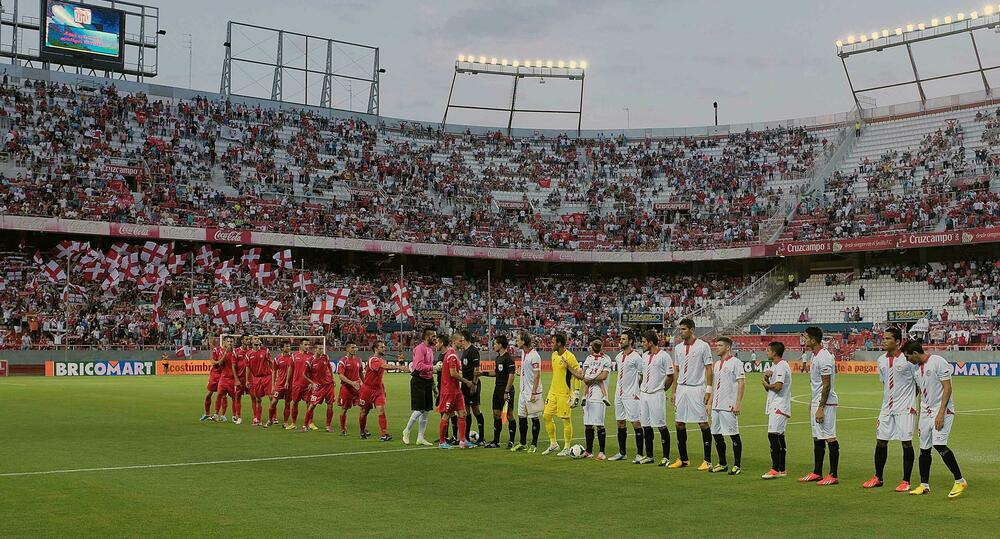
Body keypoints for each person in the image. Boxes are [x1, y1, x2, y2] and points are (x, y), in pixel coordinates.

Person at [902, 341, 968, 498]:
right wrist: (919, 416)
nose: (907, 360)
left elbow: (948, 387)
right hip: (925, 413)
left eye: (907, 356)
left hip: (942, 411)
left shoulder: (938, 362)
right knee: (924, 449)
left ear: (915, 353)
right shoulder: (916, 370)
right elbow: (922, 394)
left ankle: (960, 480)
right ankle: (924, 485)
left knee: (939, 444)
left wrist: (940, 413)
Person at [863, 328, 917, 491]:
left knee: (906, 443)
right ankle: (878, 477)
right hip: (886, 407)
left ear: (898, 342)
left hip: (905, 408)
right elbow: (884, 382)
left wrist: (909, 400)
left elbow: (918, 382)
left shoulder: (908, 359)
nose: (884, 341)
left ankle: (905, 481)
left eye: (888, 338)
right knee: (881, 441)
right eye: (883, 338)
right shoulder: (881, 360)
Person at [668, 318, 715, 471]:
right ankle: (683, 459)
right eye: (680, 329)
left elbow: (709, 368)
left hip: (697, 388)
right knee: (679, 422)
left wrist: (708, 389)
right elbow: (677, 370)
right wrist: (674, 391)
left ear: (691, 330)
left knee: (702, 423)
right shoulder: (678, 348)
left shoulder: (703, 346)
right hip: (682, 388)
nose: (680, 332)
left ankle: (707, 460)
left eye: (683, 329)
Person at [799, 326, 840, 486]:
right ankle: (817, 472)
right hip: (818, 401)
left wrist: (821, 406)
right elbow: (816, 384)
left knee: (830, 436)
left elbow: (826, 384)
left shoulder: (824, 357)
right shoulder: (815, 356)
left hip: (827, 403)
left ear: (814, 340)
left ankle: (833, 474)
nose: (804, 340)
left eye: (806, 337)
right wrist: (813, 401)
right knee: (817, 437)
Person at [542, 332, 585, 456]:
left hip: (564, 393)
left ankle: (567, 447)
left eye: (553, 342)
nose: (551, 344)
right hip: (553, 392)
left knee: (565, 420)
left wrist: (576, 393)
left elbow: (578, 375)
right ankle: (553, 444)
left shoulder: (570, 357)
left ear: (559, 343)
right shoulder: (554, 355)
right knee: (546, 416)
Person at [358, 340, 409, 441]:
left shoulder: (381, 360)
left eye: (384, 347)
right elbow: (384, 366)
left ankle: (384, 433)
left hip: (378, 390)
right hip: (367, 390)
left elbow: (380, 376)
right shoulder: (373, 359)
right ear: (376, 349)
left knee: (381, 410)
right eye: (382, 347)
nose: (384, 348)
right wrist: (399, 367)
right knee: (364, 412)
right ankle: (362, 431)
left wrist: (383, 388)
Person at [709, 337, 745, 475]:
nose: (716, 347)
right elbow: (714, 385)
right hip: (716, 405)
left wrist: (738, 403)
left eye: (720, 345)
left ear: (728, 347)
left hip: (728, 405)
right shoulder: (717, 364)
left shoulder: (736, 363)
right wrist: (710, 402)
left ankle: (737, 465)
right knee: (716, 434)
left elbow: (741, 383)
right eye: (716, 345)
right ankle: (722, 463)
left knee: (733, 434)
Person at [638, 330, 674, 466]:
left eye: (644, 342)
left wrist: (662, 389)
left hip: (656, 394)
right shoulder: (645, 356)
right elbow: (642, 375)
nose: (642, 344)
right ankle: (649, 455)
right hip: (644, 394)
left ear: (651, 342)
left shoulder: (664, 356)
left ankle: (666, 457)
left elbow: (670, 376)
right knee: (646, 426)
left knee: (660, 425)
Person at [437, 333, 476, 449]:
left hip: (456, 390)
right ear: (454, 341)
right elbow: (453, 373)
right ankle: (442, 442)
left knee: (462, 413)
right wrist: (467, 382)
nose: (462, 343)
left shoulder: (453, 354)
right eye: (460, 341)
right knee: (446, 414)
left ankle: (463, 441)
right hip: (449, 390)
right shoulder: (452, 356)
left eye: (463, 341)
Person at [610, 331, 644, 462]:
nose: (621, 341)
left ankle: (640, 454)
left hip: (632, 395)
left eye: (624, 339)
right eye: (621, 339)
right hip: (619, 394)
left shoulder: (636, 357)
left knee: (636, 423)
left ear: (630, 341)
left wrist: (636, 389)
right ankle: (622, 452)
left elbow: (642, 375)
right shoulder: (619, 356)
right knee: (620, 422)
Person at [761, 341, 791, 479]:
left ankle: (774, 469)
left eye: (768, 350)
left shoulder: (781, 366)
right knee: (779, 436)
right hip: (778, 405)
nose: (766, 352)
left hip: (779, 405)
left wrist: (767, 383)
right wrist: (766, 380)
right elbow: (770, 387)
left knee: (772, 435)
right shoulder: (775, 366)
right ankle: (782, 469)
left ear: (774, 352)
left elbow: (778, 386)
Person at [402, 328, 436, 446]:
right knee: (420, 409)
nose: (435, 339)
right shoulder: (420, 349)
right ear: (427, 337)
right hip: (418, 381)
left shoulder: (430, 349)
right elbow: (418, 366)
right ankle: (407, 430)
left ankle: (420, 437)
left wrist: (433, 386)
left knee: (426, 410)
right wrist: (433, 368)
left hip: (427, 381)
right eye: (433, 336)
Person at [511, 331, 543, 453]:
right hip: (523, 391)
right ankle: (523, 443)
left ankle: (534, 444)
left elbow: (537, 375)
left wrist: (534, 393)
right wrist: (521, 371)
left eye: (518, 340)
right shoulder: (524, 353)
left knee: (534, 417)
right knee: (521, 416)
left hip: (532, 392)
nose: (516, 342)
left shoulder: (534, 356)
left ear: (524, 341)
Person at [581, 337, 613, 460]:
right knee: (588, 424)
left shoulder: (606, 359)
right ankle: (589, 451)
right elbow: (583, 375)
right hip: (588, 396)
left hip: (599, 396)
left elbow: (603, 376)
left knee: (599, 424)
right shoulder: (589, 358)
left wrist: (590, 380)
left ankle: (602, 452)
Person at [483, 335, 516, 449]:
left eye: (496, 344)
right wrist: (483, 373)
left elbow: (511, 376)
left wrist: (507, 391)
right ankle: (496, 441)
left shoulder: (508, 358)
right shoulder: (498, 358)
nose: (494, 346)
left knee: (509, 415)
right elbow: (496, 373)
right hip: (497, 389)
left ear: (501, 345)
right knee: (496, 414)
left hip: (506, 390)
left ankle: (511, 441)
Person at [301, 344, 336, 433]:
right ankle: (304, 425)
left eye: (322, 349)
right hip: (318, 387)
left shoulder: (325, 357)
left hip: (329, 385)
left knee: (330, 405)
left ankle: (328, 426)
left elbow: (329, 368)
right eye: (320, 349)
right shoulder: (310, 361)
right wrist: (312, 383)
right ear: (315, 349)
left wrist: (332, 378)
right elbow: (304, 374)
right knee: (312, 406)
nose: (321, 350)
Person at [459, 330, 486, 442]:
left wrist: (474, 384)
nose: (460, 341)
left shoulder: (473, 351)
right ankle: (466, 437)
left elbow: (476, 369)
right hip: (465, 383)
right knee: (466, 410)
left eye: (461, 339)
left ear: (464, 339)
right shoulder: (464, 351)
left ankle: (481, 437)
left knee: (475, 409)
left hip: (472, 383)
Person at [285, 339, 314, 431]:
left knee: (310, 404)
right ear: (300, 345)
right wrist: (287, 381)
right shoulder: (294, 355)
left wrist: (312, 382)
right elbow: (290, 368)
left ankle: (310, 423)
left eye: (308, 344)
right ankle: (293, 423)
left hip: (308, 385)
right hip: (296, 384)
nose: (307, 346)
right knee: (295, 403)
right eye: (305, 344)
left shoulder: (312, 356)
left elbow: (314, 371)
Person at [336, 341, 363, 436]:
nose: (354, 349)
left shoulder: (358, 360)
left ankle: (363, 430)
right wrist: (352, 383)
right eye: (352, 347)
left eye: (355, 347)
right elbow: (340, 375)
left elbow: (360, 373)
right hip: (346, 388)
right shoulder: (343, 361)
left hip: (357, 388)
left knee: (363, 408)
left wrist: (365, 384)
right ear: (347, 349)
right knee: (344, 409)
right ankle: (343, 429)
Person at [247, 335, 273, 427]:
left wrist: (274, 375)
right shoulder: (249, 354)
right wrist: (247, 380)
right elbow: (248, 367)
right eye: (255, 339)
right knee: (258, 399)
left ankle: (272, 418)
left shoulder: (265, 351)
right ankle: (258, 419)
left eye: (258, 338)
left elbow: (271, 363)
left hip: (267, 377)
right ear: (251, 341)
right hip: (256, 378)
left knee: (271, 397)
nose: (257, 340)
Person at [212, 336, 240, 421]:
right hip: (224, 378)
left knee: (234, 397)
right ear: (224, 342)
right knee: (219, 395)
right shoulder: (222, 352)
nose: (230, 343)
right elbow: (220, 363)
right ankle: (216, 414)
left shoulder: (236, 352)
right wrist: (225, 354)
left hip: (232, 379)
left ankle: (234, 415)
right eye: (228, 341)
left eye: (231, 341)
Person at [268, 342, 293, 427]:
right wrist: (273, 386)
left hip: (290, 384)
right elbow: (274, 372)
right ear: (282, 348)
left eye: (289, 346)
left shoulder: (293, 357)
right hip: (279, 384)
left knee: (287, 403)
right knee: (274, 402)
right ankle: (270, 420)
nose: (289, 347)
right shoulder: (277, 359)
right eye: (287, 346)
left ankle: (285, 422)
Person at [201, 337, 225, 421]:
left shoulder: (220, 350)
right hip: (215, 374)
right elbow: (213, 362)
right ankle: (207, 413)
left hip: (222, 374)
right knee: (209, 394)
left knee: (222, 395)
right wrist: (219, 362)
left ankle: (222, 415)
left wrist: (219, 362)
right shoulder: (214, 351)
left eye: (211, 342)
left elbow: (215, 362)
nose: (209, 343)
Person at [232, 334, 252, 424]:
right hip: (240, 378)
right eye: (246, 339)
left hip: (251, 379)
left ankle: (256, 418)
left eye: (249, 339)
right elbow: (233, 366)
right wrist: (236, 379)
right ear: (242, 341)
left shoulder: (251, 351)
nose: (248, 340)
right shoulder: (236, 352)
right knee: (238, 397)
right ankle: (238, 416)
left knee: (254, 397)